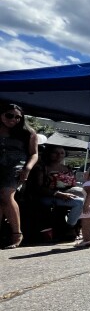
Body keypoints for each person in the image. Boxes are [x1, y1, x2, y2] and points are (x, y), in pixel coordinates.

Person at [0, 103, 39, 248]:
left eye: (18, 117)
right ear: (1, 114)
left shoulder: (27, 133)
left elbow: (34, 154)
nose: (14, 119)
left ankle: (17, 233)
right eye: (9, 115)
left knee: (5, 195)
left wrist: (27, 169)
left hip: (15, 166)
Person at [30, 145, 85, 239]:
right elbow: (38, 188)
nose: (59, 155)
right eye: (55, 153)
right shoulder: (41, 168)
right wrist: (58, 194)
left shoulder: (67, 168)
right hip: (47, 196)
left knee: (87, 200)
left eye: (62, 153)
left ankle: (76, 226)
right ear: (49, 154)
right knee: (79, 202)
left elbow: (72, 184)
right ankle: (69, 228)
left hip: (66, 194)